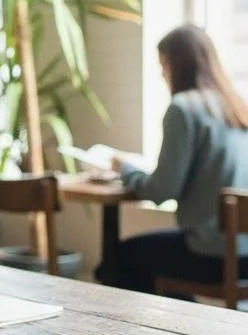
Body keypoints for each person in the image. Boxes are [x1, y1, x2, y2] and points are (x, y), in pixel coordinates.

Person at [100, 23, 248, 294]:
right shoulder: (237, 106)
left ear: (177, 65)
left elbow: (161, 190)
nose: (161, 73)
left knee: (115, 261)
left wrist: (126, 169)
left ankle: (177, 329)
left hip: (211, 256)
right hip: (245, 256)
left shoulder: (182, 109)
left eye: (163, 64)